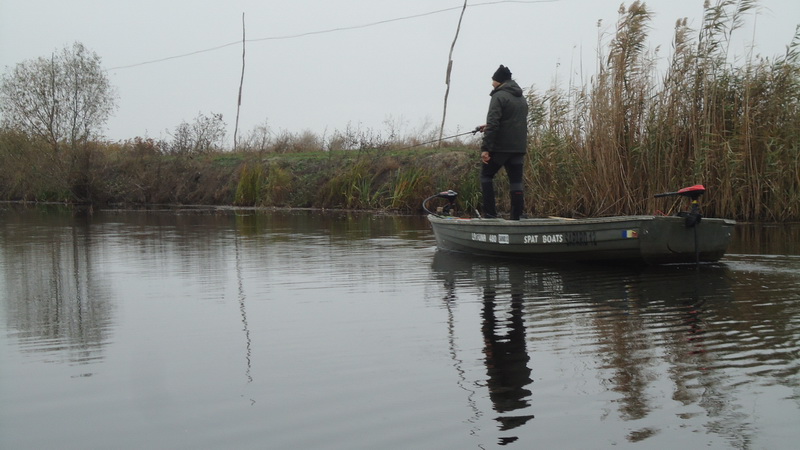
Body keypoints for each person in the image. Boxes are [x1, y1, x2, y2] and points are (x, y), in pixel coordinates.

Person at [478, 64, 529, 220]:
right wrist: (488, 126)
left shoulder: (498, 96)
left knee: (486, 176)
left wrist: (486, 148)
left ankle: (490, 215)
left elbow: (494, 123)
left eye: (493, 80)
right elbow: (512, 121)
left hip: (500, 148)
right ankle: (517, 216)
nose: (492, 83)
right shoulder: (521, 98)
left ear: (499, 80)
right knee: (516, 182)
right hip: (518, 148)